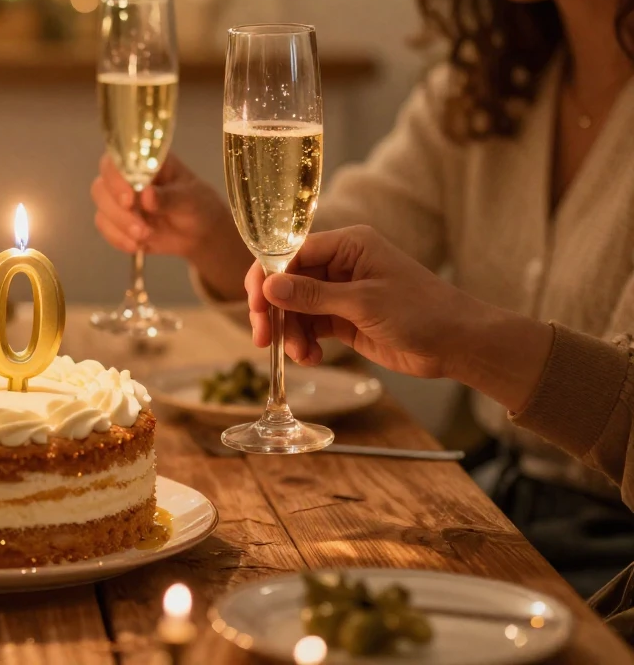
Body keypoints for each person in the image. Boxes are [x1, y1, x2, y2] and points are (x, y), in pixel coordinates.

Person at [91, 0, 634, 586]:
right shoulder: (483, 87)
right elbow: (334, 247)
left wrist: (467, 338)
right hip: (494, 510)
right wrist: (211, 231)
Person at [243, 224, 634, 637]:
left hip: (610, 535)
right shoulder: (471, 154)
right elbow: (330, 285)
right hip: (504, 485)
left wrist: (466, 337)